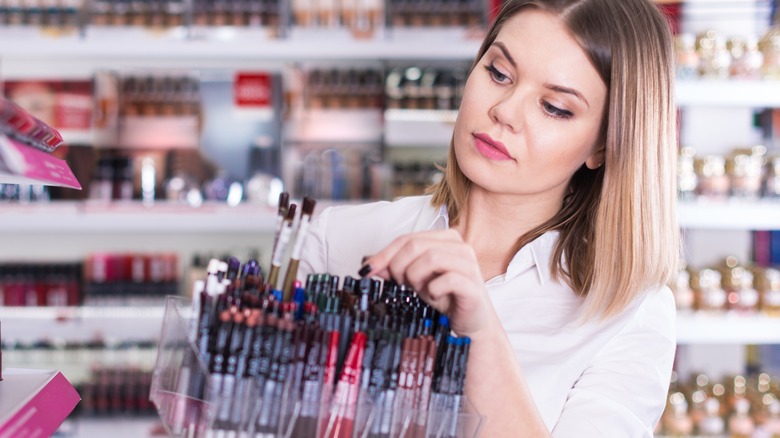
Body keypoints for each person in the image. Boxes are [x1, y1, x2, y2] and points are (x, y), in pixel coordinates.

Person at [300, 0, 679, 436]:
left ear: (604, 146)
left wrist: (481, 333)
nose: (505, 111)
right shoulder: (337, 240)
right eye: (498, 73)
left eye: (554, 107)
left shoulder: (631, 314)